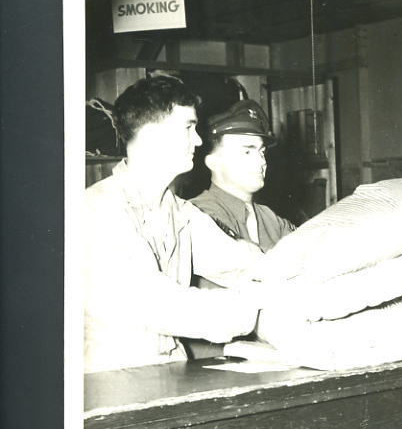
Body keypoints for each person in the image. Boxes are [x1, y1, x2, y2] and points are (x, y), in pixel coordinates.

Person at [83, 75, 277, 373]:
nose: (198, 140)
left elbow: (239, 262)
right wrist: (253, 301)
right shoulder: (98, 210)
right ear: (150, 134)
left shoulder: (180, 213)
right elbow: (163, 307)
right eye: (188, 127)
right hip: (111, 377)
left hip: (168, 369)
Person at [190, 100, 295, 248]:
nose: (261, 161)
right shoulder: (199, 214)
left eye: (262, 152)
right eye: (247, 152)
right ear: (213, 162)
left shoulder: (270, 219)